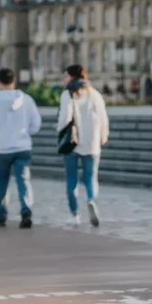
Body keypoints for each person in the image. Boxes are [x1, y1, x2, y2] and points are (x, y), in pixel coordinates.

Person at [0, 68, 42, 229]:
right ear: (14, 80)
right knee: (24, 180)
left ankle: (1, 213)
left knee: (2, 182)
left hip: (2, 149)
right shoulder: (27, 99)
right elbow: (36, 124)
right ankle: (26, 210)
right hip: (23, 147)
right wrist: (25, 134)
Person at [56, 64, 109, 228]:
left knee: (71, 179)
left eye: (65, 76)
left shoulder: (68, 94)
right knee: (91, 177)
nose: (64, 79)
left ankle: (75, 215)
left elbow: (65, 117)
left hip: (73, 142)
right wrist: (103, 135)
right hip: (92, 142)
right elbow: (103, 117)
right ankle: (91, 200)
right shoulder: (95, 94)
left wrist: (59, 132)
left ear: (72, 77)